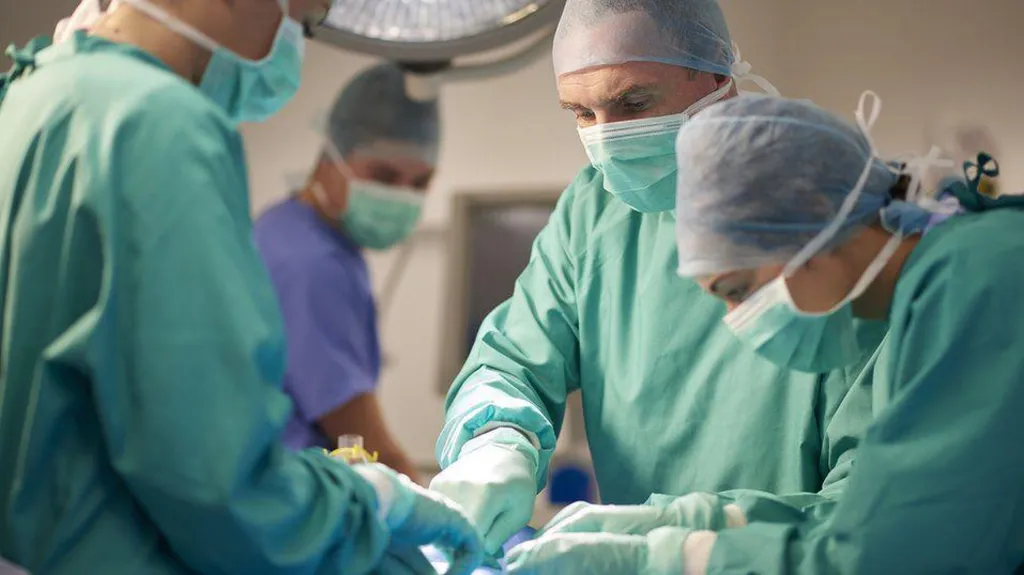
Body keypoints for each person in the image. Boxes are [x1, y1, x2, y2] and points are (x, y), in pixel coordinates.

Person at [0, 1, 482, 573]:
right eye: (304, 22)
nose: (294, 45)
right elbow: (218, 481)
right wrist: (372, 502)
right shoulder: (162, 124)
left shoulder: (35, 87)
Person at [430, 0, 885, 563]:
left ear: (717, 77)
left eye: (633, 102)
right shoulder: (595, 210)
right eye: (580, 113)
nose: (606, 140)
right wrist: (495, 445)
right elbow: (514, 358)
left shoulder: (825, 216)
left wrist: (680, 547)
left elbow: (878, 510)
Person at [506, 92, 1024, 574]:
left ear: (815, 226)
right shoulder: (939, 286)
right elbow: (877, 516)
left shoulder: (983, 281)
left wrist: (676, 558)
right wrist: (700, 520)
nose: (738, 319)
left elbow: (904, 553)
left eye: (737, 288)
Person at [254, 62, 437, 482]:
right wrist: (437, 518)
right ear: (331, 157)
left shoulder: (284, 228)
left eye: (421, 182)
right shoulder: (311, 263)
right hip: (290, 504)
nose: (402, 195)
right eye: (384, 175)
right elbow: (365, 446)